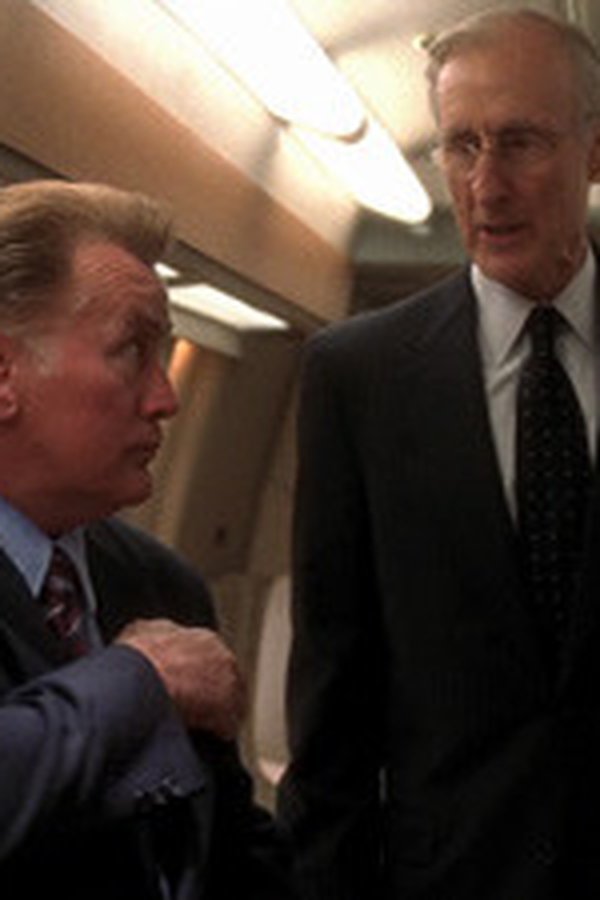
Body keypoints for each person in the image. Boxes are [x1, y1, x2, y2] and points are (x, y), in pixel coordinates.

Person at [277, 9, 600, 900]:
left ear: (592, 151)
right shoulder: (358, 376)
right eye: (461, 146)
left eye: (520, 142)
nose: (486, 186)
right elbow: (334, 694)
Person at [0, 178, 295, 899]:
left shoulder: (163, 583)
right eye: (131, 350)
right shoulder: (157, 661)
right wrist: (141, 685)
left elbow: (228, 850)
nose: (166, 398)